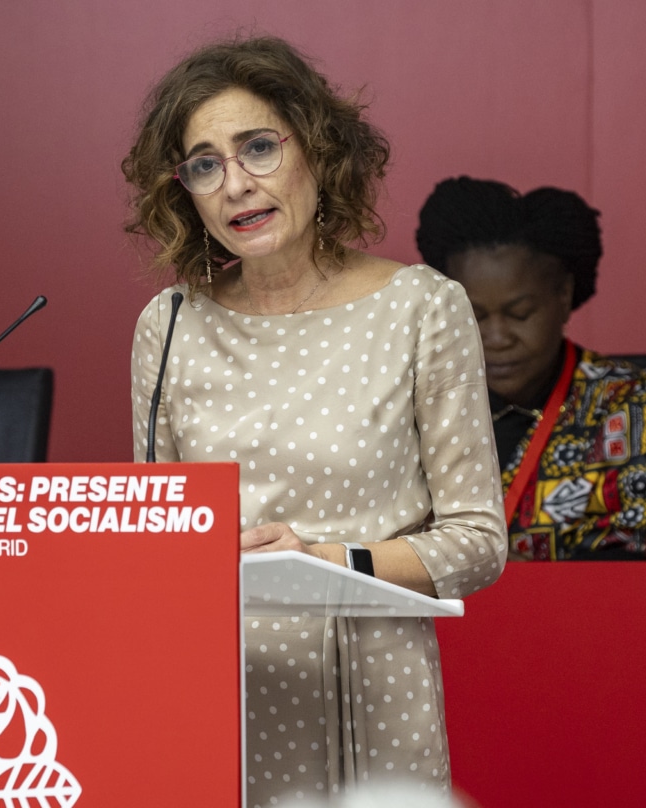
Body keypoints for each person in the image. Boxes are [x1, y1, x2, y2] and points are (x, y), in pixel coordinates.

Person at [123, 38, 507, 805]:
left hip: (372, 688)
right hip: (218, 696)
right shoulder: (167, 326)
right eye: (204, 164)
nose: (235, 184)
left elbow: (478, 543)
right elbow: (153, 545)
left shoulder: (421, 308)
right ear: (185, 193)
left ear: (319, 150)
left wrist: (327, 558)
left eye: (258, 147)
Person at [415, 177, 646, 561]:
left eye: (519, 314)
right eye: (473, 315)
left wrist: (519, 580)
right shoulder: (416, 408)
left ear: (563, 296)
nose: (496, 337)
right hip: (426, 621)